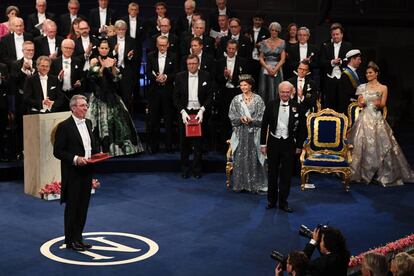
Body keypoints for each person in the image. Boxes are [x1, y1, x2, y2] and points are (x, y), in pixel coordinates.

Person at [348, 62, 414, 186]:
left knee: (383, 143)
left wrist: (378, 103)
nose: (368, 75)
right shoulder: (362, 87)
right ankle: (362, 172)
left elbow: (383, 104)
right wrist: (361, 101)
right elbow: (360, 104)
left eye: (371, 73)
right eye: (367, 73)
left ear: (376, 73)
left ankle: (380, 173)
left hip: (377, 117)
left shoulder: (383, 87)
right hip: (365, 117)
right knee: (361, 142)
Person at [53, 94, 99, 252]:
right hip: (73, 172)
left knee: (83, 207)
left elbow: (92, 145)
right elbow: (58, 151)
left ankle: (79, 238)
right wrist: (75, 158)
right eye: (82, 105)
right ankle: (70, 240)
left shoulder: (88, 122)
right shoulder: (64, 126)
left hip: (87, 171)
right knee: (73, 208)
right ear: (73, 108)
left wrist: (98, 156)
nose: (86, 108)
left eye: (86, 105)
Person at [87, 39, 143, 156]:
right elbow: (92, 78)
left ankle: (117, 150)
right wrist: (102, 67)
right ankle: (100, 149)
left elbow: (116, 79)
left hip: (112, 95)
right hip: (98, 97)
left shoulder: (112, 60)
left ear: (109, 49)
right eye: (102, 48)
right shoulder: (93, 60)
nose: (104, 50)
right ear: (98, 49)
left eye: (106, 48)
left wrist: (113, 67)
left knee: (117, 122)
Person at [260, 81, 306, 212]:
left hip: (289, 143)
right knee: (272, 173)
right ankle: (271, 201)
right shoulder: (271, 105)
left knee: (286, 175)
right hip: (273, 143)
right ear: (278, 92)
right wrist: (263, 144)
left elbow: (302, 129)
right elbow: (264, 126)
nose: (285, 94)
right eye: (282, 92)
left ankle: (283, 202)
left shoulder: (297, 106)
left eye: (287, 92)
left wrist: (299, 146)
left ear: (291, 92)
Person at [173, 54, 213, 179]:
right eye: (189, 64)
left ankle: (197, 170)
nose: (192, 66)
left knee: (198, 143)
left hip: (199, 112)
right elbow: (175, 97)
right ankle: (184, 169)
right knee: (184, 142)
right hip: (185, 113)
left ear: (198, 63)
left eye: (194, 63)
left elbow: (210, 96)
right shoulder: (180, 76)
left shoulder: (206, 75)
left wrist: (202, 110)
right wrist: (182, 112)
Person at [228, 74, 266, 193]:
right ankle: (241, 184)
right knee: (240, 158)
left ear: (250, 85)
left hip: (254, 133)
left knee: (254, 158)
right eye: (241, 85)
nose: (243, 87)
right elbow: (231, 115)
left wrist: (252, 120)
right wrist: (240, 119)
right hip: (240, 134)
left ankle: (254, 185)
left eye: (245, 85)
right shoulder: (236, 99)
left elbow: (263, 117)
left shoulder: (258, 99)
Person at [146, 35, 178, 153]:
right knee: (154, 120)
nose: (162, 47)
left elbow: (176, 73)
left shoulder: (174, 56)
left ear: (168, 45)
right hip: (154, 92)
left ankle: (169, 147)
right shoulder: (150, 56)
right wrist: (156, 78)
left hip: (168, 92)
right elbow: (148, 72)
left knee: (168, 120)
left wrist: (166, 77)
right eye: (160, 45)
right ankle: (154, 147)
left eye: (164, 45)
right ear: (156, 45)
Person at [319, 23, 352, 108]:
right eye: (333, 34)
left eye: (337, 34)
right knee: (330, 104)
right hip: (330, 79)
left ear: (342, 35)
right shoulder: (326, 46)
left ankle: (343, 121)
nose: (335, 36)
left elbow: (351, 61)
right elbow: (321, 62)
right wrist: (332, 62)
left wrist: (340, 62)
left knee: (343, 103)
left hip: (343, 78)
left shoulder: (348, 46)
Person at [258, 22, 286, 104]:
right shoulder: (264, 42)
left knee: (276, 89)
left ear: (279, 32)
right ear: (270, 30)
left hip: (277, 68)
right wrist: (267, 67)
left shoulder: (282, 42)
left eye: (276, 31)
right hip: (265, 68)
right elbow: (261, 58)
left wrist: (275, 69)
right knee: (264, 90)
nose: (274, 32)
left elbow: (283, 59)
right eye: (272, 30)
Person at [336, 49, 362, 113]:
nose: (360, 61)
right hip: (348, 107)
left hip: (357, 104)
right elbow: (347, 91)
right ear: (352, 59)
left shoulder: (357, 72)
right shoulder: (345, 74)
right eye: (358, 59)